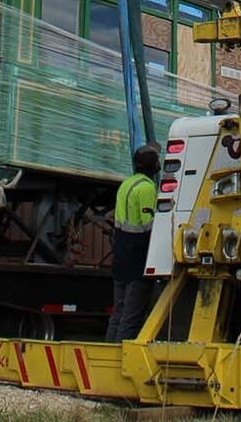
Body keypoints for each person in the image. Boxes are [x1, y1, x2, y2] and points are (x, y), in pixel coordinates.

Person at [105, 143, 160, 342]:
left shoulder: (125, 184)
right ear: (152, 165)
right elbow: (150, 227)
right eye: (157, 161)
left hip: (121, 257)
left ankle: (108, 353)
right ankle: (121, 363)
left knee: (118, 315)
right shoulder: (146, 188)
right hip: (138, 260)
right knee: (132, 318)